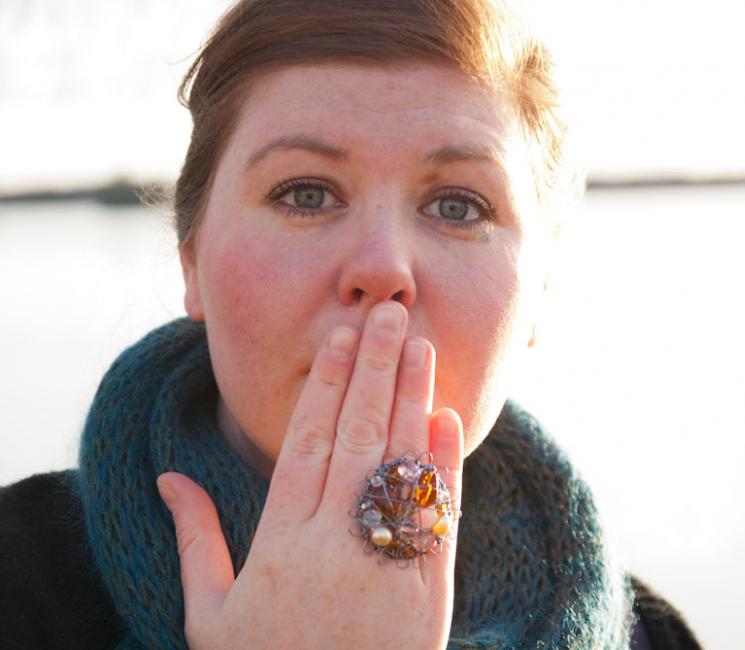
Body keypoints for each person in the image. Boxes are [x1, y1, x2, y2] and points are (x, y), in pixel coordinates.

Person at [0, 0, 701, 647]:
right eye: (305, 194)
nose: (383, 267)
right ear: (192, 263)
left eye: (457, 206)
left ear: (539, 292)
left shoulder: (652, 637)